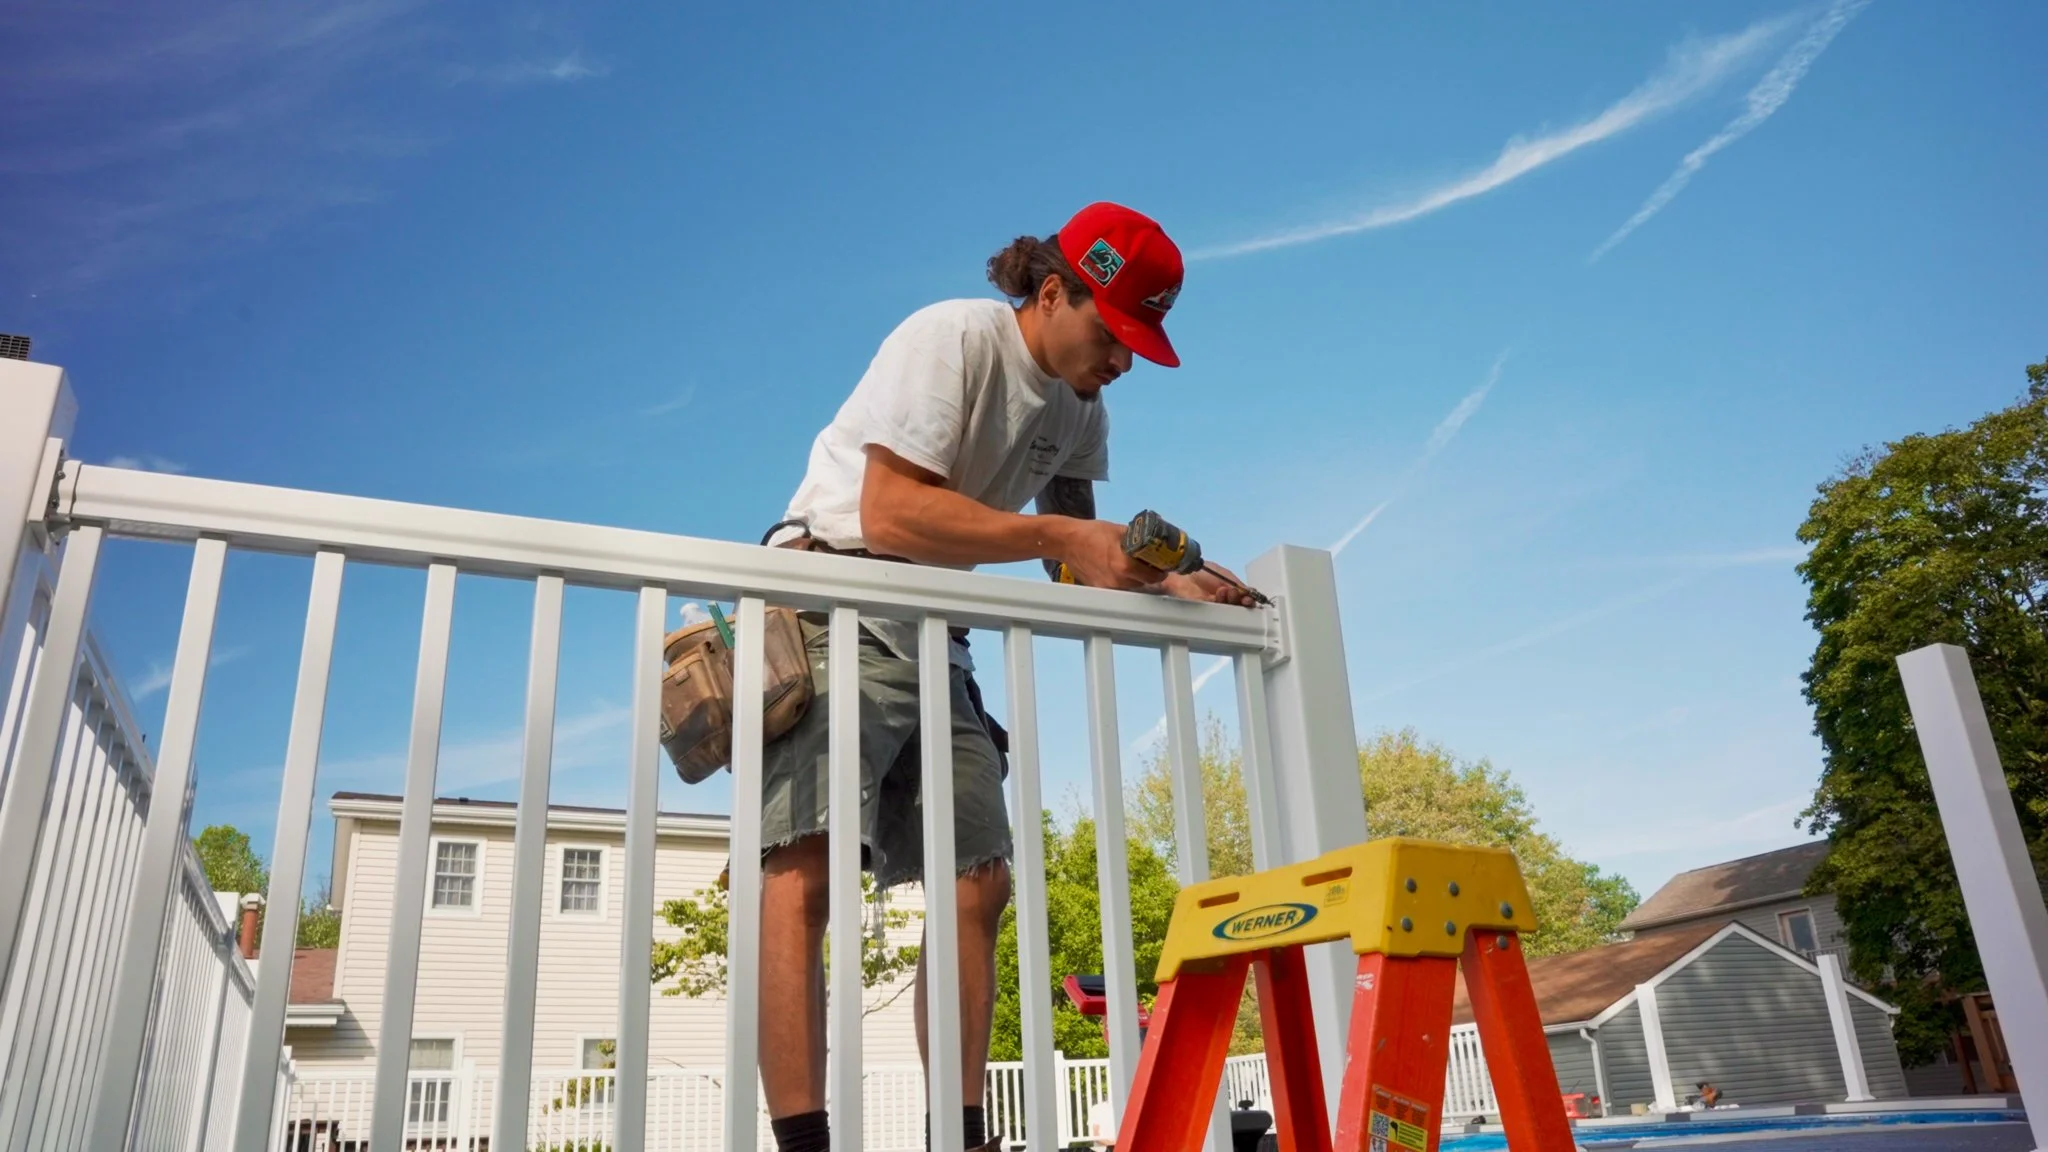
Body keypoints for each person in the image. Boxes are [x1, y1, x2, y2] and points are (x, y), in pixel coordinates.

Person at [754, 201, 1257, 1152]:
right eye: (1116, 334)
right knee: (806, 872)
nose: (1123, 362)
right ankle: (803, 1143)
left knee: (979, 882)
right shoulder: (953, 337)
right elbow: (893, 513)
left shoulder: (1082, 409)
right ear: (1055, 291)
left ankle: (961, 1136)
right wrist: (1061, 535)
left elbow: (1070, 559)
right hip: (835, 597)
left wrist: (1177, 582)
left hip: (937, 632)